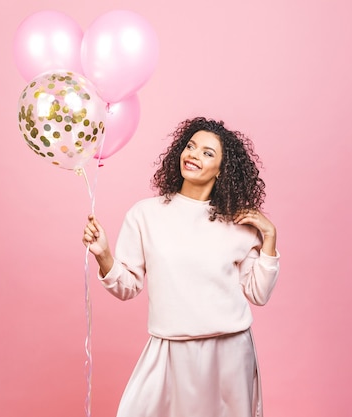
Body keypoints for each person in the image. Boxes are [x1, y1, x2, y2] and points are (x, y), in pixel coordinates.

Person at [82, 117, 280, 417]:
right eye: (190, 146)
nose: (193, 155)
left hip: (229, 353)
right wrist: (104, 255)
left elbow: (259, 294)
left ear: (223, 170)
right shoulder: (145, 214)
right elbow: (128, 286)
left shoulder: (239, 223)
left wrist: (269, 238)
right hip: (169, 349)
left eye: (207, 152)